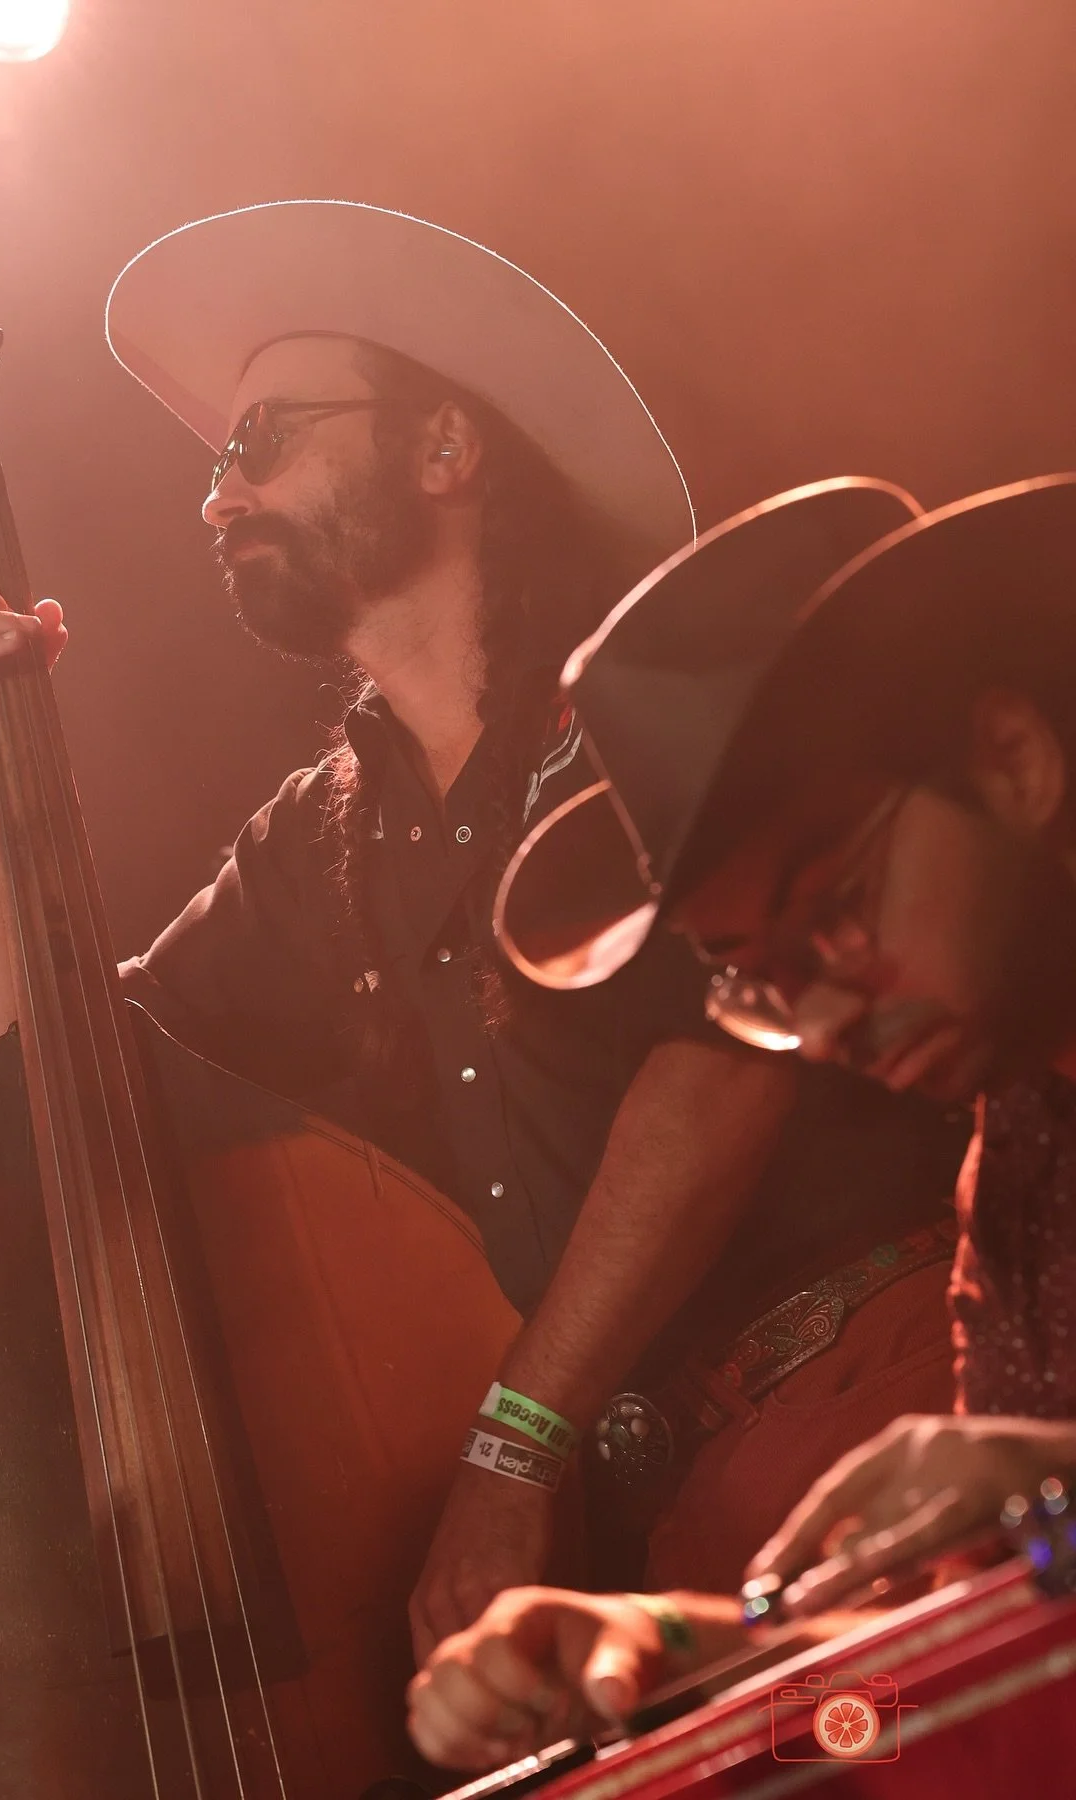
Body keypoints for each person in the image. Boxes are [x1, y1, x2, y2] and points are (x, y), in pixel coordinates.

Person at [0, 202, 965, 1660]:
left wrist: (510, 1448)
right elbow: (61, 1105)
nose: (217, 499)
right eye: (217, 460)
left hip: (878, 1388)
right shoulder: (321, 835)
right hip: (658, 1523)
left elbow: (721, 1064)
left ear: (444, 450)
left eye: (261, 440)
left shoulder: (651, 709)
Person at [410, 473, 1076, 1770]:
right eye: (759, 982)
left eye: (835, 908)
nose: (822, 1022)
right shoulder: (1019, 1158)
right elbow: (988, 1660)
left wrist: (1057, 1478)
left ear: (1013, 762)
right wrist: (694, 1662)